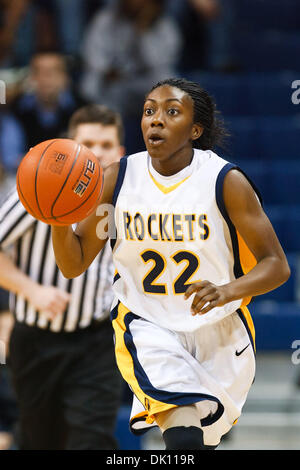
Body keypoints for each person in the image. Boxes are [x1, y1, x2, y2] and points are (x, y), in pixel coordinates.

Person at [51, 78, 290, 450]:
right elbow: (75, 262)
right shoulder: (118, 179)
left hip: (221, 327)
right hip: (147, 322)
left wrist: (227, 290)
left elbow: (276, 265)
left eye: (171, 112)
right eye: (149, 111)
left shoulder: (225, 182)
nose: (155, 120)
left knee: (201, 440)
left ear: (196, 129)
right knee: (182, 432)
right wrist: (56, 218)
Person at [0, 104, 125, 450]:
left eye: (106, 144)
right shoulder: (40, 187)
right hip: (35, 341)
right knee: (41, 441)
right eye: (88, 143)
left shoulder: (127, 196)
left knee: (93, 439)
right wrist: (31, 290)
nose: (97, 152)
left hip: (97, 340)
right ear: (72, 146)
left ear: (120, 151)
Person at [11, 50, 85, 151]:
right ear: (31, 78)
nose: (46, 78)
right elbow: (11, 157)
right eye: (39, 72)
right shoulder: (16, 109)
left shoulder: (82, 109)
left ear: (65, 77)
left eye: (54, 71)